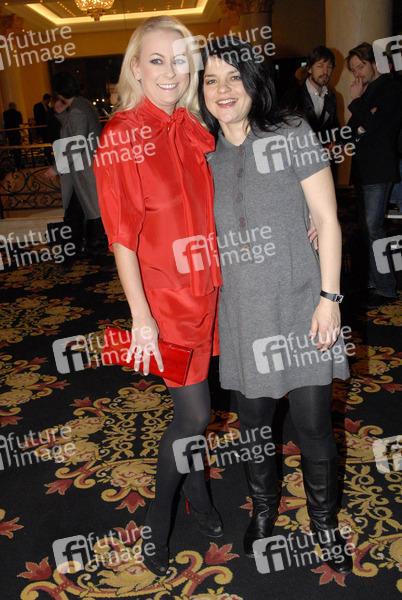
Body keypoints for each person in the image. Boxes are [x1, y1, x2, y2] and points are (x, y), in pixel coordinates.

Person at [198, 38, 353, 575]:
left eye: (234, 77)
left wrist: (329, 299)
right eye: (211, 80)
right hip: (242, 315)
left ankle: (324, 523)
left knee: (313, 427)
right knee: (254, 427)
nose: (223, 90)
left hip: (302, 304)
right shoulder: (203, 155)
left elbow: (327, 220)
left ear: (254, 82)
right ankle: (264, 511)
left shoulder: (292, 133)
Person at [93, 16, 223, 577]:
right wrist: (140, 315)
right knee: (195, 413)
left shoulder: (193, 126)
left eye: (180, 60)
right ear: (135, 67)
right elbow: (121, 236)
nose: (170, 71)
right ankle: (158, 518)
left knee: (196, 412)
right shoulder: (121, 134)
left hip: (213, 288)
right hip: (166, 298)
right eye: (156, 59)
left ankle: (199, 494)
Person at [346, 42, 402, 308]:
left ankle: (385, 288)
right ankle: (375, 282)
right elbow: (349, 131)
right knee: (369, 229)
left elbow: (377, 128)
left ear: (374, 63)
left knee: (373, 229)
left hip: (379, 168)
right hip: (364, 169)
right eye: (353, 69)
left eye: (360, 66)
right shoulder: (367, 91)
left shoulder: (391, 88)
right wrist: (362, 119)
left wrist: (358, 103)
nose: (357, 73)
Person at [44, 72, 105, 256]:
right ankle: (82, 246)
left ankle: (93, 247)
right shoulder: (82, 105)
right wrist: (61, 114)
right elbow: (74, 130)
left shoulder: (77, 110)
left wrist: (55, 168)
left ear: (59, 93)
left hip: (84, 167)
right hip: (86, 166)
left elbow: (77, 144)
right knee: (81, 209)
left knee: (90, 211)